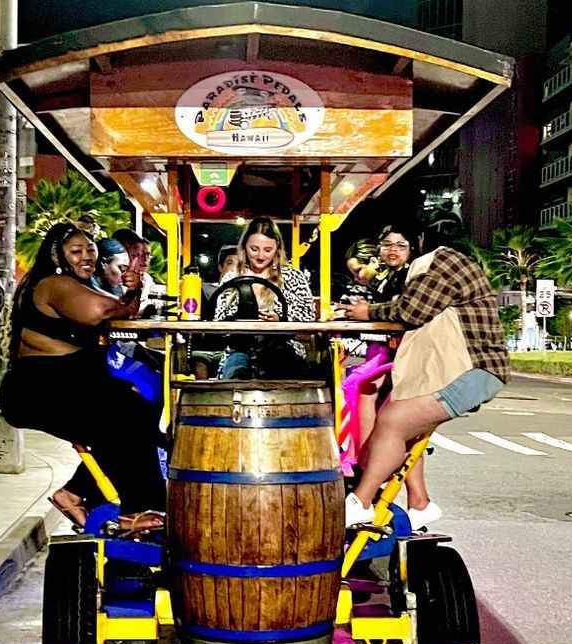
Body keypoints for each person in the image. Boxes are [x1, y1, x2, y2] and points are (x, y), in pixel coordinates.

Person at [0, 222, 165, 531]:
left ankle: (76, 494)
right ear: (57, 256)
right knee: (127, 420)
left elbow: (123, 309)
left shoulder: (76, 283)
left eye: (91, 250)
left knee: (137, 418)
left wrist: (132, 288)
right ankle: (138, 508)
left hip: (64, 383)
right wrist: (129, 293)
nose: (86, 256)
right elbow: (101, 311)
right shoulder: (54, 283)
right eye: (76, 251)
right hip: (41, 389)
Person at [340, 242, 510, 529]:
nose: (391, 251)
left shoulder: (441, 263)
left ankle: (362, 501)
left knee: (394, 420)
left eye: (399, 245)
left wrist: (367, 311)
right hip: (464, 370)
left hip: (475, 371)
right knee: (399, 417)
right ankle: (420, 504)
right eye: (386, 246)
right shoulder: (431, 266)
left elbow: (412, 311)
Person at [214, 217, 314, 378]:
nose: (261, 256)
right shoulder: (231, 278)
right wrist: (237, 322)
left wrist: (280, 322)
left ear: (277, 249)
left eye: (267, 250)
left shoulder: (293, 277)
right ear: (244, 247)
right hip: (239, 350)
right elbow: (218, 322)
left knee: (282, 369)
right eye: (254, 249)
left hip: (283, 349)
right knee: (235, 375)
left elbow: (307, 324)